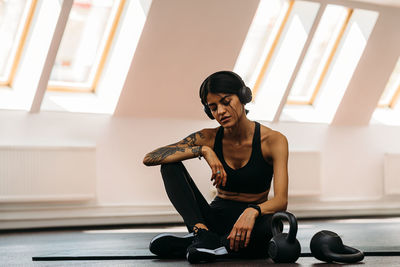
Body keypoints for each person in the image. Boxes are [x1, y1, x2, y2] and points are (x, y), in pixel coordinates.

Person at [143, 71, 289, 263]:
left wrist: (252, 211)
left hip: (252, 223)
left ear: (243, 98)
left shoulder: (273, 140)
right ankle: (203, 236)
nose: (220, 111)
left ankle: (206, 245)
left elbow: (280, 201)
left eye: (226, 102)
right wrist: (203, 150)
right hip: (213, 220)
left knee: (272, 225)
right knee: (169, 166)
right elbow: (150, 157)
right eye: (213, 107)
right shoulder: (209, 137)